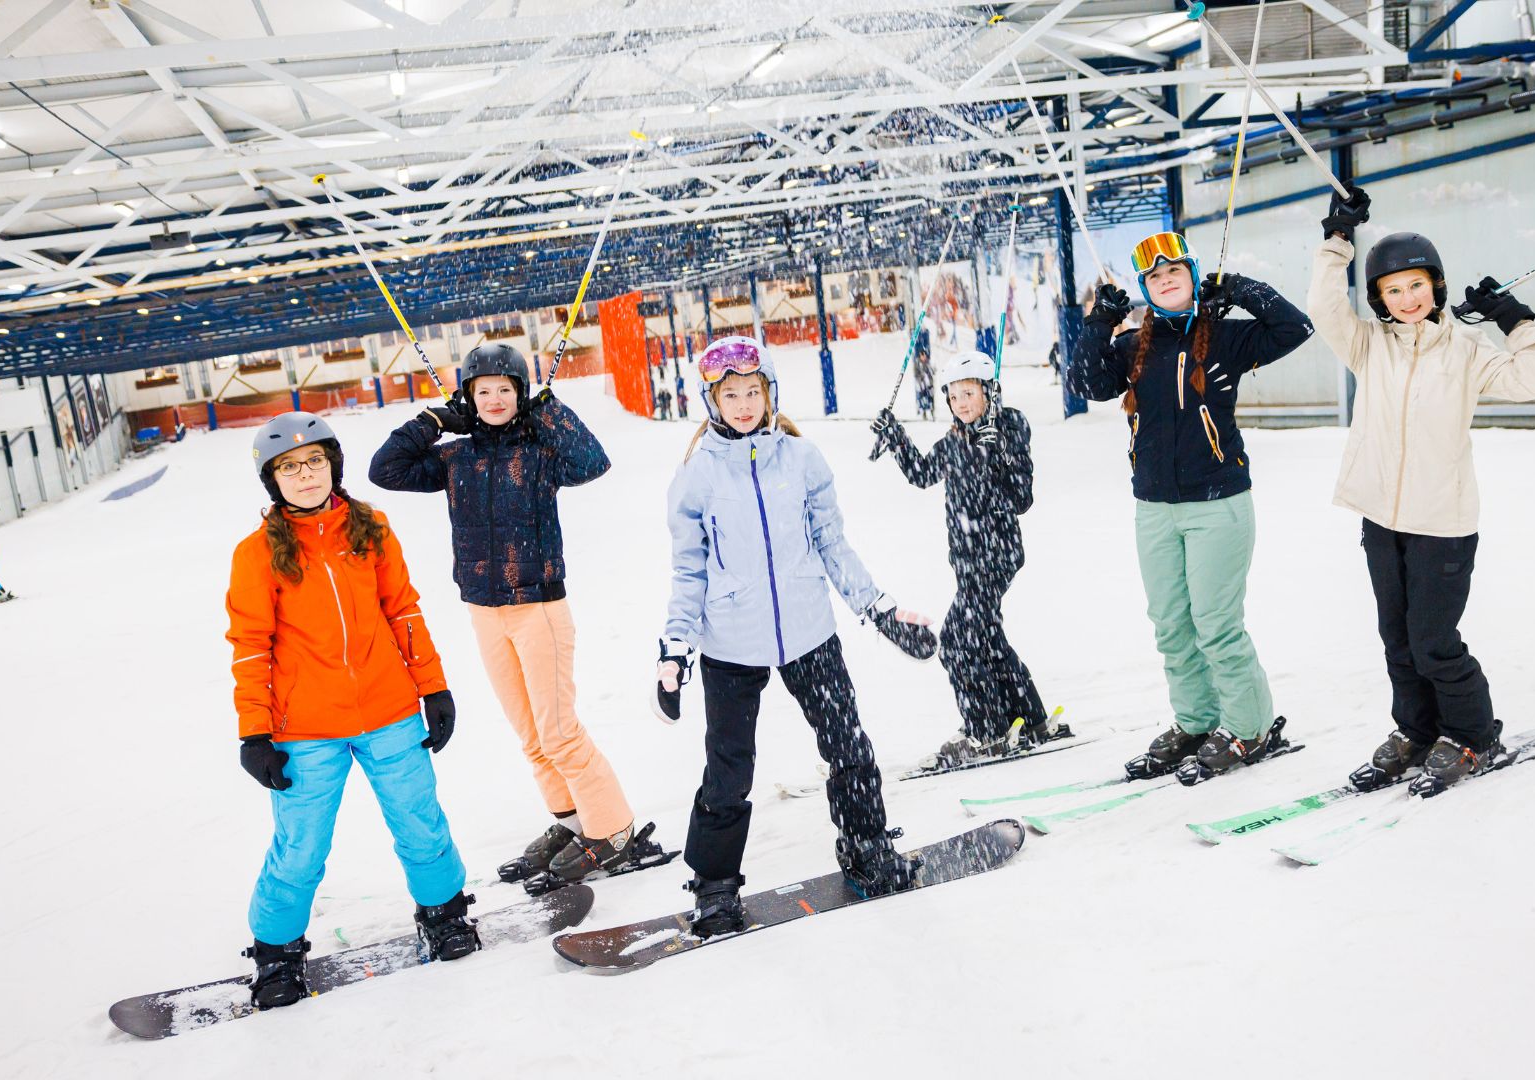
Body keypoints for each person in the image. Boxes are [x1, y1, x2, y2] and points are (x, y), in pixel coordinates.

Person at [653, 335, 938, 938]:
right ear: (711, 400)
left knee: (849, 745)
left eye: (752, 392)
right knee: (729, 771)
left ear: (769, 392)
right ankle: (714, 886)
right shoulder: (696, 476)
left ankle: (867, 845)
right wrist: (674, 648)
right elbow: (689, 571)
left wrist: (880, 610)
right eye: (729, 395)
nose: (742, 404)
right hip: (730, 641)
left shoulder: (803, 460)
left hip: (809, 631)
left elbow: (833, 545)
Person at [370, 344, 666, 891]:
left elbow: (592, 461)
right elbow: (385, 469)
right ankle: (574, 824)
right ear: (468, 398)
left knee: (559, 733)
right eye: (483, 391)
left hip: (539, 609)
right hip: (485, 610)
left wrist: (547, 409)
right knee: (531, 736)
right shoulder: (455, 459)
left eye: (506, 389)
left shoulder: (538, 455)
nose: (495, 399)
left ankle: (615, 831)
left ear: (520, 395)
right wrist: (433, 421)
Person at [1311, 185, 1535, 795]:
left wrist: (1514, 320)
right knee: (1397, 639)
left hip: (1443, 522)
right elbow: (1324, 308)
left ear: (1437, 287)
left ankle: (1473, 735)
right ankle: (1417, 732)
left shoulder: (1468, 353)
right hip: (1380, 518)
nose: (1406, 298)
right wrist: (1338, 240)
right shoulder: (1369, 347)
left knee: (1434, 642)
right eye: (1392, 291)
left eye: (1416, 285)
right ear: (1379, 300)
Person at [226, 412, 475, 1010]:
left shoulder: (371, 528)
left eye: (314, 461)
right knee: (301, 846)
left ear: (332, 466)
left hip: (390, 712)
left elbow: (404, 612)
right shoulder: (257, 554)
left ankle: (442, 914)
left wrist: (432, 688)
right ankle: (277, 953)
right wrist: (255, 733)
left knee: (420, 823)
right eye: (289, 467)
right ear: (272, 479)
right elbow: (250, 647)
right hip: (305, 729)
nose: (305, 475)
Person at [1068, 232, 1314, 781]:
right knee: (1172, 625)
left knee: (1215, 623)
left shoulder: (1226, 338)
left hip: (1218, 502)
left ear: (1194, 274)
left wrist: (1238, 288)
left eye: (1175, 270)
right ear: (1145, 289)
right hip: (1155, 506)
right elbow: (1086, 380)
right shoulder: (1134, 347)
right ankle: (1198, 721)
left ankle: (1249, 726)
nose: (1165, 279)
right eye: (1154, 276)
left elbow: (1296, 327)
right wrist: (1097, 324)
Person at [870, 350, 1056, 767]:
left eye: (969, 393)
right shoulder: (954, 441)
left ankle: (985, 733)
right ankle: (1028, 718)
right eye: (954, 397)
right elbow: (921, 474)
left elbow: (1021, 499)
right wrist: (896, 437)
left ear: (990, 392)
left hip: (997, 554)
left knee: (957, 640)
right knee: (986, 636)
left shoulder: (1010, 427)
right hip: (968, 559)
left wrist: (999, 455)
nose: (962, 404)